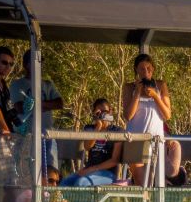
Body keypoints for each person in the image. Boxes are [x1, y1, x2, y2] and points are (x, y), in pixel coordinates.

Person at [122, 53, 173, 186]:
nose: (146, 72)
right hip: (135, 140)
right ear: (136, 70)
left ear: (153, 69)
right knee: (142, 181)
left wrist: (156, 97)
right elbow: (128, 115)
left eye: (149, 68)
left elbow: (167, 115)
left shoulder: (161, 85)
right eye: (142, 69)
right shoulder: (129, 87)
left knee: (156, 181)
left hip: (155, 140)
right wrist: (137, 93)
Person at [10, 50, 64, 173]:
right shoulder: (17, 84)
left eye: (40, 63)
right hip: (26, 137)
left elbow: (60, 103)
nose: (38, 66)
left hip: (48, 136)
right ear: (26, 65)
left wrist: (39, 104)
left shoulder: (48, 84)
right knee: (25, 173)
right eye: (34, 62)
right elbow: (19, 107)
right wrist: (46, 105)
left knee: (50, 173)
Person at [60, 99, 123, 187]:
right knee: (65, 183)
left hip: (108, 173)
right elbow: (87, 147)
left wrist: (94, 169)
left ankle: (85, 201)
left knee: (81, 183)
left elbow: (114, 160)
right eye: (99, 113)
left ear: (110, 112)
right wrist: (98, 127)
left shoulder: (117, 131)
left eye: (105, 112)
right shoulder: (90, 128)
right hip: (89, 170)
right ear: (94, 113)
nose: (102, 115)